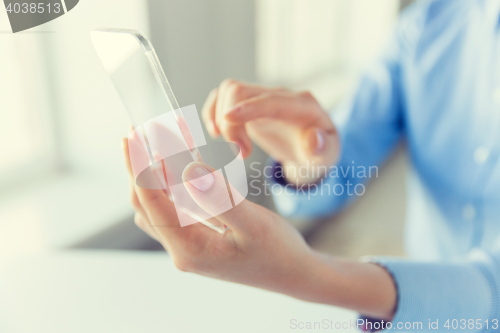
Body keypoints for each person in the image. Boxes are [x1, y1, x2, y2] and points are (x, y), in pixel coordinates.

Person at [122, 0, 500, 331]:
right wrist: (307, 160)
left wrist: (312, 276)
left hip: (413, 301)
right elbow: (346, 162)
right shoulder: (428, 23)